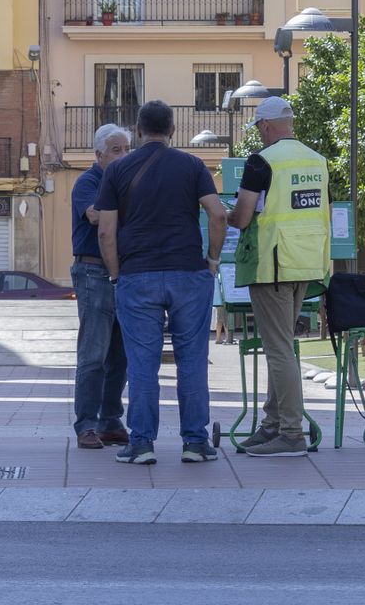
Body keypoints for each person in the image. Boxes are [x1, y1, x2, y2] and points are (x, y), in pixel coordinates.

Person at [96, 100, 228, 465]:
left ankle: (141, 444)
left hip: (137, 276)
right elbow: (218, 214)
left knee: (141, 363)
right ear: (172, 131)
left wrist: (115, 273)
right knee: (192, 361)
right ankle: (195, 443)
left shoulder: (117, 171)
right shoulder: (192, 165)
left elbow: (106, 231)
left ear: (138, 130)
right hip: (189, 272)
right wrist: (212, 261)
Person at [227, 96, 331, 458]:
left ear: (266, 126)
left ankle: (291, 432)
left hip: (272, 264)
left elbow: (241, 217)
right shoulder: (318, 161)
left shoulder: (262, 161)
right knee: (282, 347)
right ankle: (272, 424)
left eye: (258, 128)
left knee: (278, 349)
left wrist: (229, 216)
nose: (259, 134)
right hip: (306, 262)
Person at [70, 123, 131, 450]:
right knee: (93, 354)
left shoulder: (123, 183)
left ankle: (110, 420)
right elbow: (95, 216)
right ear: (98, 155)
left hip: (122, 274)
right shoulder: (88, 181)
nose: (123, 156)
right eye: (116, 150)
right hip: (93, 273)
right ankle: (87, 425)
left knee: (119, 355)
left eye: (126, 150)